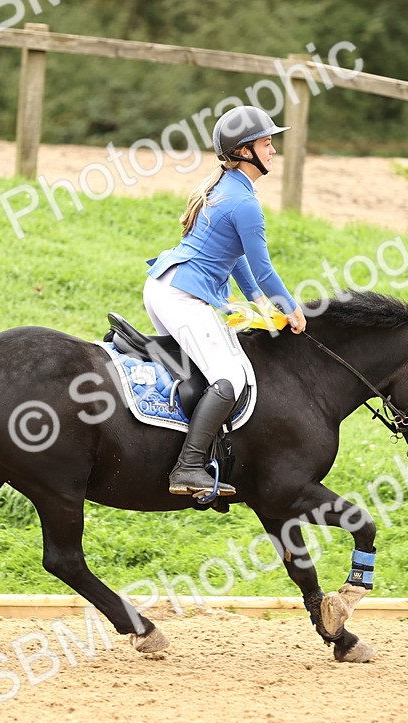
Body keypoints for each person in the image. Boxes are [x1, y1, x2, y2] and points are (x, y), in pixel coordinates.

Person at [143, 105, 307, 497]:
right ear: (245, 150)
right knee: (230, 376)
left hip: (164, 287)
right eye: (267, 143)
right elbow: (264, 269)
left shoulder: (228, 187)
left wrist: (257, 303)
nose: (273, 150)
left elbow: (236, 259)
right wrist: (291, 309)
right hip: (181, 296)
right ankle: (188, 466)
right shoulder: (245, 203)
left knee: (210, 366)